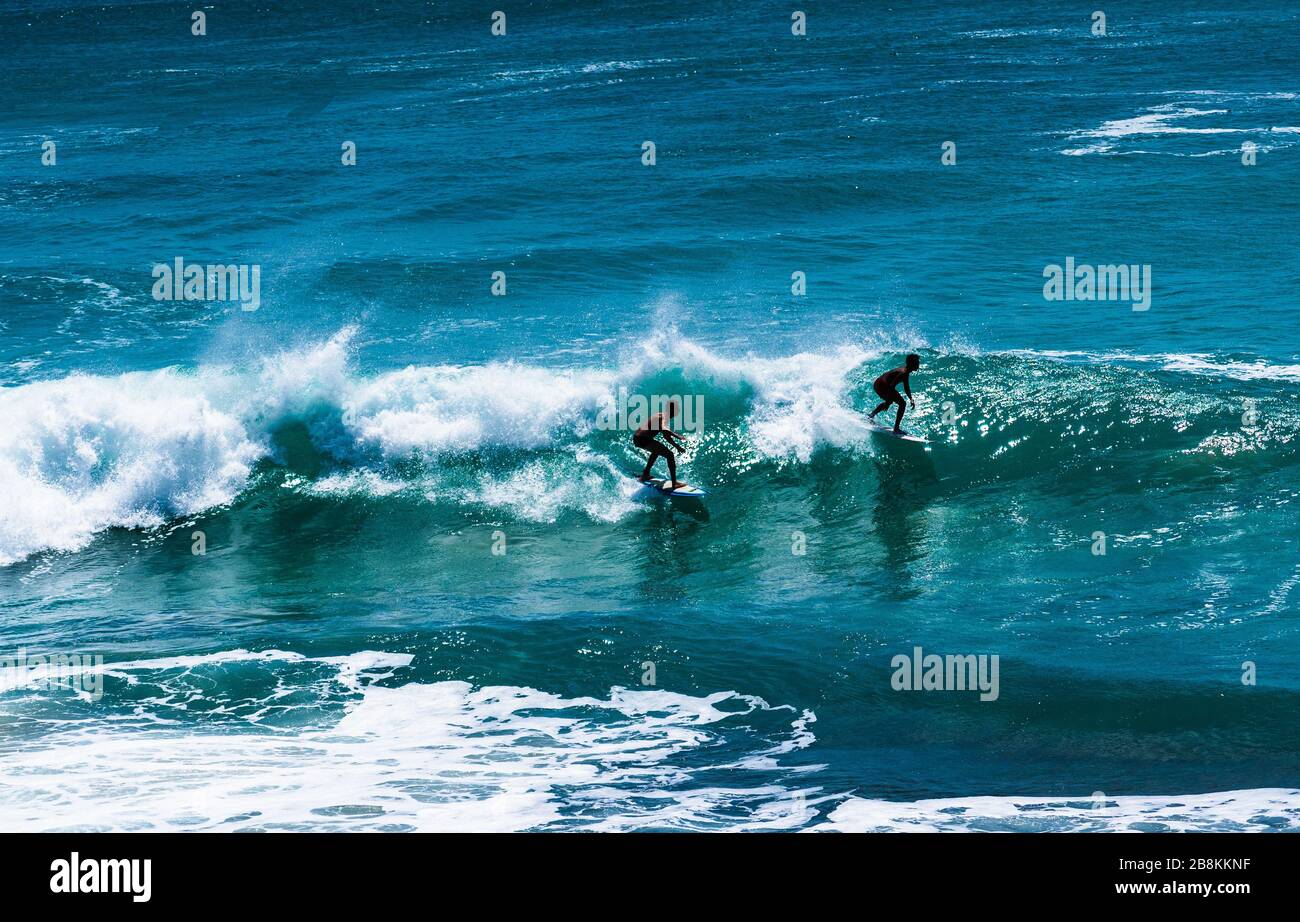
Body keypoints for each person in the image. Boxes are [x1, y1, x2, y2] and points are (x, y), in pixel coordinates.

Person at [634, 400, 687, 488]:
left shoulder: (660, 415)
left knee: (656, 451)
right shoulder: (663, 417)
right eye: (677, 409)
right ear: (672, 410)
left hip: (638, 438)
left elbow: (666, 436)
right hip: (643, 439)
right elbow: (664, 428)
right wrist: (678, 436)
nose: (678, 411)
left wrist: (677, 447)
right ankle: (674, 483)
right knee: (670, 455)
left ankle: (645, 474)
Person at [868, 353, 921, 433]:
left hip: (881, 383)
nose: (918, 364)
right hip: (881, 385)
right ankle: (896, 428)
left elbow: (906, 387)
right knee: (902, 403)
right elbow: (891, 387)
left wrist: (911, 398)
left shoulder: (906, 372)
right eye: (917, 362)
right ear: (912, 364)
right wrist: (888, 401)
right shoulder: (903, 373)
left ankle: (871, 416)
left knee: (890, 402)